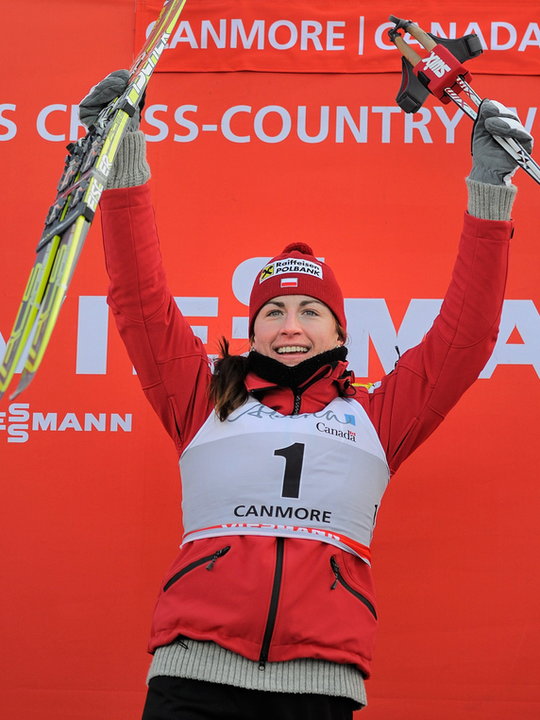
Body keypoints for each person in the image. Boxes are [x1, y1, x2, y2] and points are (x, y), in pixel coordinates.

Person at [80, 72, 533, 719]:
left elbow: (467, 338)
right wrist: (122, 150)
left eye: (310, 310)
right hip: (192, 678)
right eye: (275, 311)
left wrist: (491, 191)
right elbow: (139, 297)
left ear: (340, 330)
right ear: (253, 328)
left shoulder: (376, 416)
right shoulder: (204, 397)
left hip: (319, 689)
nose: (291, 325)